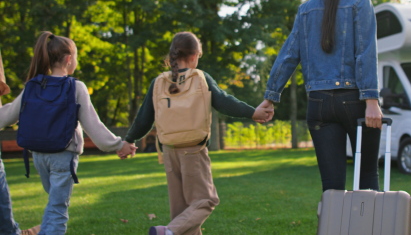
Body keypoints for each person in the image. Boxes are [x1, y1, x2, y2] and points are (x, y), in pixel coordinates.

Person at [258, 0, 383, 192]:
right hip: (354, 100)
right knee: (366, 175)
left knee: (332, 185)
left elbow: (288, 56)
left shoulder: (305, 11)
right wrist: (371, 100)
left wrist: (270, 98)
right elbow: (366, 53)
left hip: (318, 104)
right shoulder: (360, 4)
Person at [124, 31, 273, 235]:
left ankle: (170, 231)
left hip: (169, 152)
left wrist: (129, 140)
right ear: (194, 56)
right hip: (192, 151)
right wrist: (252, 112)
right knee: (206, 200)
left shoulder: (158, 82)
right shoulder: (200, 78)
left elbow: (144, 119)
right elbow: (223, 101)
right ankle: (166, 232)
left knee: (183, 214)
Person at [0, 32, 137, 235]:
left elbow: (7, 116)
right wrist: (119, 145)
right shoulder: (75, 87)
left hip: (38, 156)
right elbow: (94, 126)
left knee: (54, 202)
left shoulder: (32, 86)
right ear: (68, 59)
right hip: (63, 156)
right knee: (57, 208)